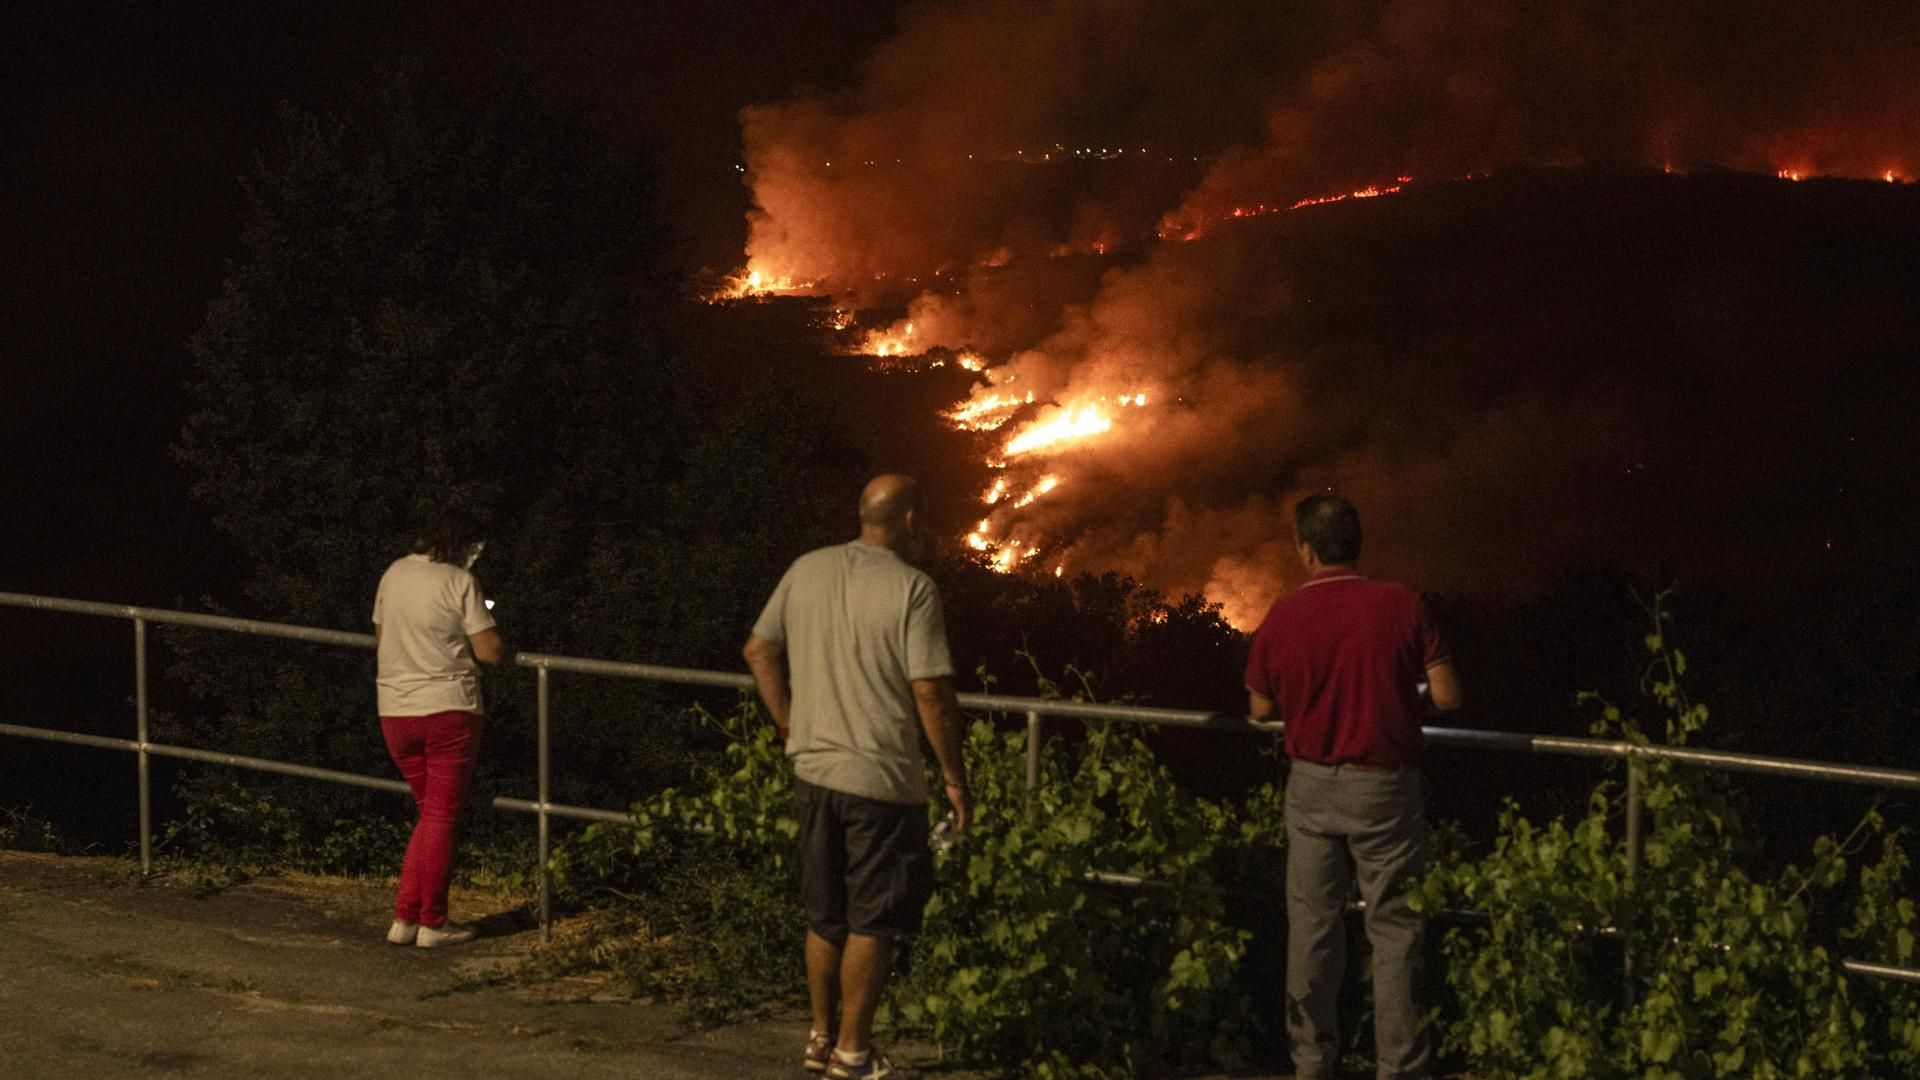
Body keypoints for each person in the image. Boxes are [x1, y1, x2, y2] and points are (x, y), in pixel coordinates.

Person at [743, 474, 972, 1080]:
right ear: (912, 520)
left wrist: (791, 725)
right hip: (881, 782)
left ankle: (820, 1039)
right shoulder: (914, 590)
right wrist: (954, 778)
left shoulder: (806, 569)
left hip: (814, 773)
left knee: (826, 916)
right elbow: (930, 691)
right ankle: (853, 1054)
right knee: (874, 920)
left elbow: (758, 651)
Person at [1245, 494, 1462, 1080]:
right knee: (1392, 930)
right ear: (1357, 545)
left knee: (1312, 928)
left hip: (1312, 787)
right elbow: (1447, 697)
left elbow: (1260, 708)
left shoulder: (1283, 615)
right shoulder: (1401, 603)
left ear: (1305, 550)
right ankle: (1400, 1066)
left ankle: (1312, 1063)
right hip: (1385, 789)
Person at [372, 507, 506, 948]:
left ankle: (405, 919)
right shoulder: (460, 581)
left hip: (394, 709)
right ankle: (433, 922)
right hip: (449, 710)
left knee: (429, 814)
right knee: (442, 817)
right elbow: (489, 651)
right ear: (464, 545)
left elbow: (379, 631)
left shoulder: (393, 574)